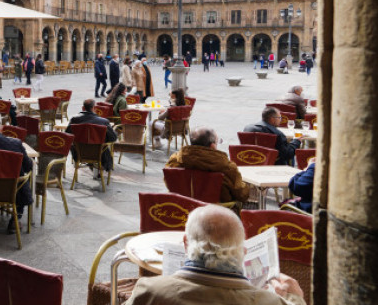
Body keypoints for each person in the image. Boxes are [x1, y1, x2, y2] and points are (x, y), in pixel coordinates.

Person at [125, 205, 306, 305]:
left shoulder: (149, 292)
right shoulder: (268, 302)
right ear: (243, 252)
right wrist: (296, 299)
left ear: (186, 243)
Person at [165, 127, 249, 204]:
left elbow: (169, 183)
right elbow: (242, 195)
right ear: (212, 146)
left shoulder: (175, 161)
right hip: (216, 214)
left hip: (181, 211)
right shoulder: (227, 167)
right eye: (217, 142)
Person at [65, 98, 116, 178]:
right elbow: (113, 138)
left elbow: (67, 135)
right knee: (104, 147)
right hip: (99, 154)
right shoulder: (103, 122)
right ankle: (102, 168)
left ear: (83, 108)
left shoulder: (74, 120)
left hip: (79, 154)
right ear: (94, 108)